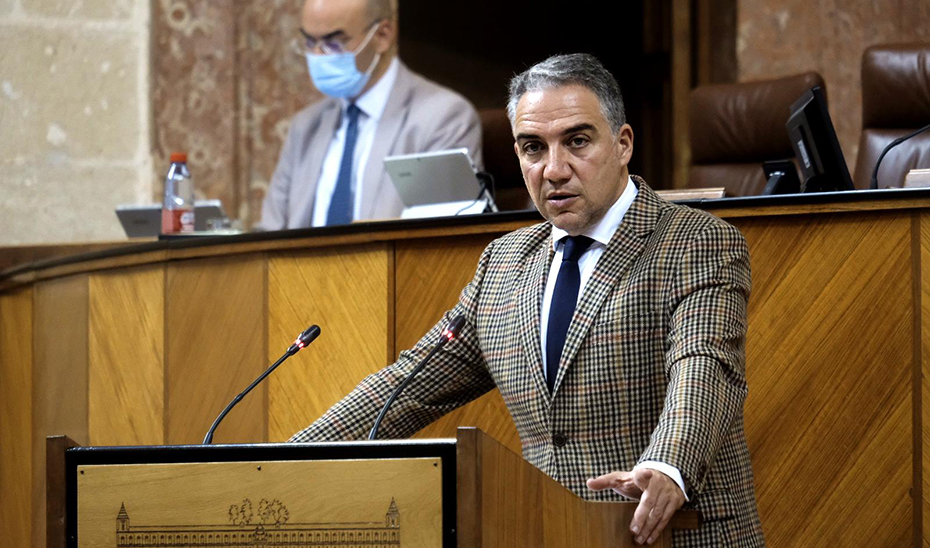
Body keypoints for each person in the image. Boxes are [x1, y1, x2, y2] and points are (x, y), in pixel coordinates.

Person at [290, 53, 765, 547]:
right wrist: (284, 461)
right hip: (549, 531)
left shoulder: (696, 242)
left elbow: (705, 367)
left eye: (577, 142)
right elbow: (407, 386)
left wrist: (668, 463)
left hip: (675, 536)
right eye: (533, 148)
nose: (554, 169)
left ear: (623, 144)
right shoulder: (504, 264)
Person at [258, 0, 483, 230]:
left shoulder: (442, 118)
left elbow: (443, 240)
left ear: (383, 35)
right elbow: (269, 233)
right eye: (309, 41)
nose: (318, 55)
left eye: (334, 42)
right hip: (296, 265)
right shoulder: (305, 127)